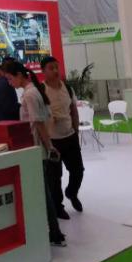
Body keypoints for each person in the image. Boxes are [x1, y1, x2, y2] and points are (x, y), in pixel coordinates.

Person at [3, 60, 66, 247]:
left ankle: (55, 233)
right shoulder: (34, 91)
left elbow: (38, 123)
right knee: (43, 191)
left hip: (35, 148)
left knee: (43, 193)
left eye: (10, 78)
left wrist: (49, 146)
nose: (9, 83)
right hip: (38, 148)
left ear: (19, 75)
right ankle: (54, 231)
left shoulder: (30, 94)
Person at [42, 56, 84, 219]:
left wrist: (76, 129)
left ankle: (72, 193)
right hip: (52, 140)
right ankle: (58, 207)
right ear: (44, 71)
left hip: (70, 136)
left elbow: (73, 109)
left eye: (56, 67)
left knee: (78, 171)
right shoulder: (41, 90)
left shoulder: (67, 87)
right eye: (51, 68)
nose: (55, 71)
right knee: (55, 176)